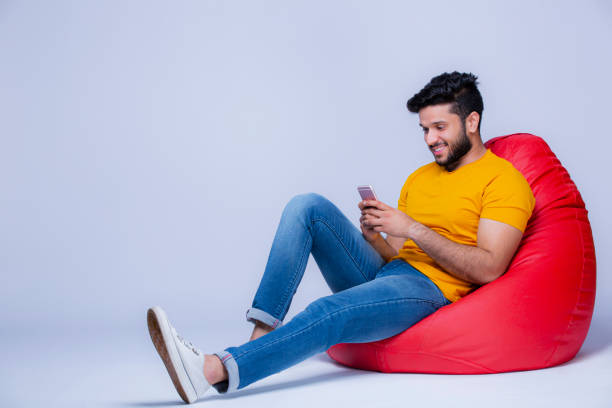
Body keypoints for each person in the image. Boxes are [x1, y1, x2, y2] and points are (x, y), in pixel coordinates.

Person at [147, 71, 535, 404]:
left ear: (471, 122)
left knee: (326, 311)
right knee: (307, 206)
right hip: (396, 276)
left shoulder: (504, 180)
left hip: (432, 291)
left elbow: (489, 268)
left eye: (439, 128)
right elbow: (396, 259)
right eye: (424, 129)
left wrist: (412, 227)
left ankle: (211, 370)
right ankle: (260, 335)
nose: (430, 139)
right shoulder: (420, 178)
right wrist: (375, 234)